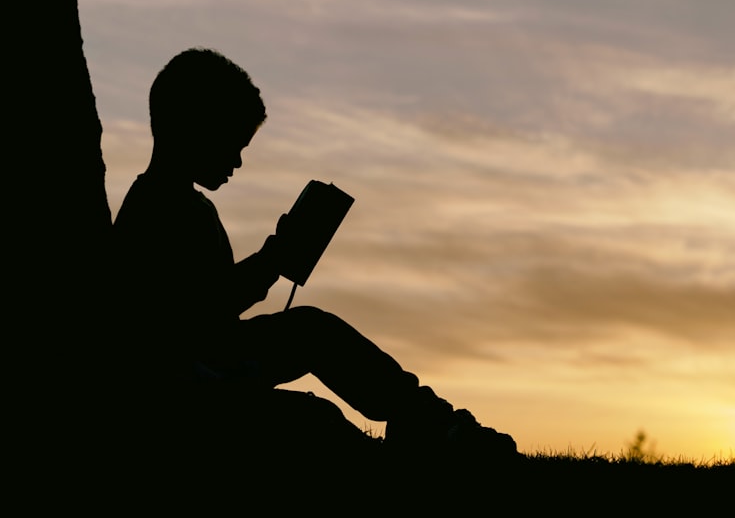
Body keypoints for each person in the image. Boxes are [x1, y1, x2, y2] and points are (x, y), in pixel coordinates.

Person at [112, 47, 517, 457]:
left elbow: (214, 300)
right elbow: (188, 318)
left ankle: (430, 421)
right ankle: (433, 432)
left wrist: (275, 256)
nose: (236, 162)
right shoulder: (155, 210)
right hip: (189, 386)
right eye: (231, 143)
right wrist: (273, 260)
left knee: (312, 329)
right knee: (316, 417)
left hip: (214, 360)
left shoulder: (186, 204)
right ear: (194, 128)